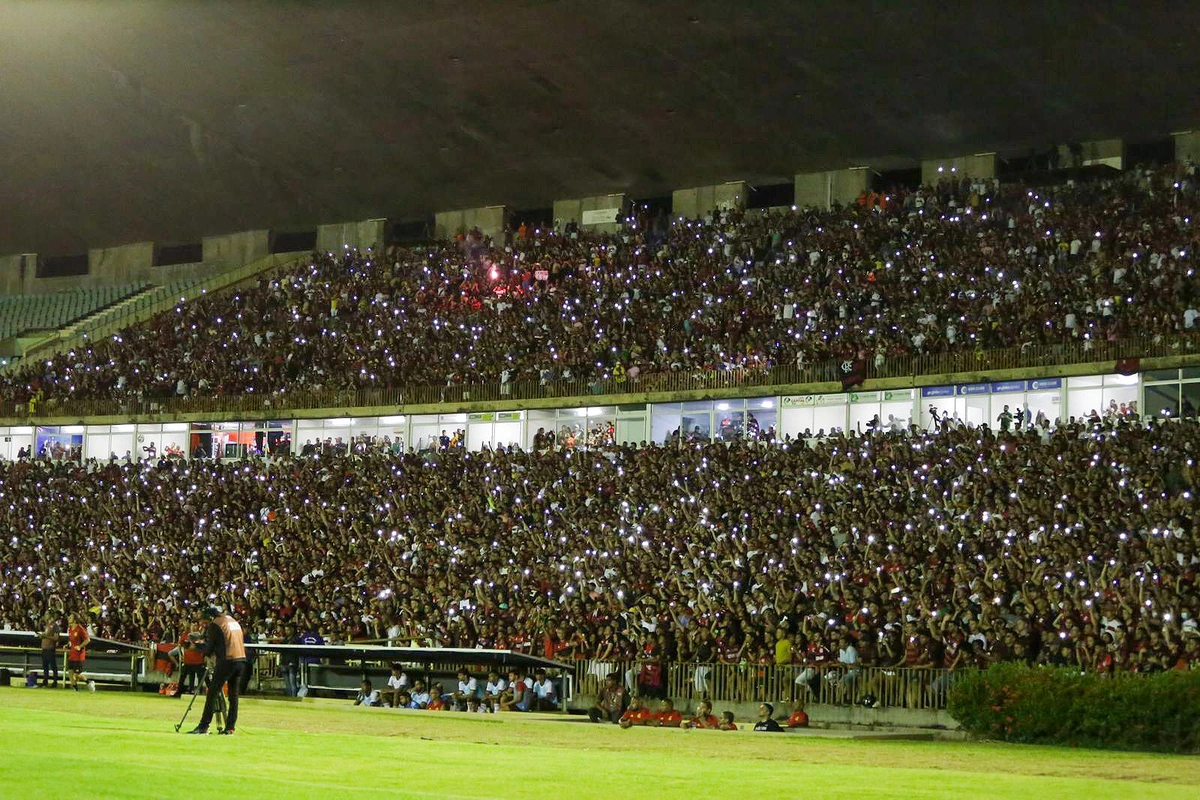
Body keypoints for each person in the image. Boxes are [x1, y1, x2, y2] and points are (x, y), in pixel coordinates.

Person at [188, 606, 247, 736]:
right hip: (241, 659)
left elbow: (209, 649)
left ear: (209, 617)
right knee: (233, 696)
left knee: (212, 693)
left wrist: (197, 644)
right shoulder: (231, 620)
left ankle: (204, 726)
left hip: (227, 660)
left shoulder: (216, 624)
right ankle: (230, 727)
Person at [65, 614, 90, 692]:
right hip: (72, 654)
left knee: (77, 674)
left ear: (75, 620)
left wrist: (80, 646)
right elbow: (71, 641)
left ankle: (89, 682)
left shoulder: (80, 629)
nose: (69, 618)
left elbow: (87, 640)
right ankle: (75, 689)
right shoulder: (70, 629)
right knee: (70, 672)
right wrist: (67, 645)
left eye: (71, 617)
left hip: (79, 654)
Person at [39, 614, 59, 689]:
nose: (45, 616)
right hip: (44, 648)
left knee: (53, 666)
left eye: (47, 614)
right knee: (45, 666)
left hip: (50, 649)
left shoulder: (55, 626)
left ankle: (55, 682)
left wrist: (45, 636)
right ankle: (45, 681)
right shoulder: (47, 625)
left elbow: (56, 638)